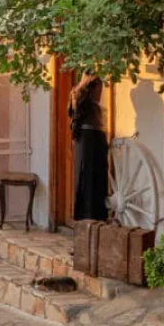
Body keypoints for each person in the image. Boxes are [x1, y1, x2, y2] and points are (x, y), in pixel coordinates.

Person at [69, 74, 109, 222]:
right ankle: (86, 212)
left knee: (95, 173)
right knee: (85, 173)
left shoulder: (92, 94)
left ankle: (95, 212)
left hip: (94, 136)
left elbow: (79, 104)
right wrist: (81, 85)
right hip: (86, 137)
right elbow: (75, 106)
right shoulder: (80, 93)